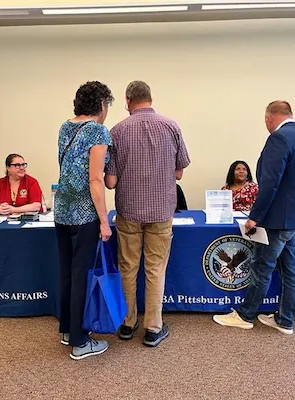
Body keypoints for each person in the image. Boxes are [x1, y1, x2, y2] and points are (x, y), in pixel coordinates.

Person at [213, 100, 295, 335]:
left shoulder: (278, 139)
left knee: (261, 268)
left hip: (276, 221)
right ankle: (286, 320)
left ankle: (246, 315)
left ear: (269, 118)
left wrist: (254, 217)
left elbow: (269, 183)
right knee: (290, 270)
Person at [105, 80, 190, 347]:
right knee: (155, 268)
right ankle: (154, 327)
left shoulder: (117, 131)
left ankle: (128, 323)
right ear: (150, 99)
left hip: (129, 211)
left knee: (128, 268)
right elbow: (179, 172)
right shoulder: (171, 126)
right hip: (162, 211)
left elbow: (110, 182)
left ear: (128, 101)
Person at [54, 81, 114, 360]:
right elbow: (95, 179)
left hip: (62, 212)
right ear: (101, 105)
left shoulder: (65, 126)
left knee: (67, 272)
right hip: (83, 215)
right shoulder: (97, 131)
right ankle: (80, 341)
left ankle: (67, 329)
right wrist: (103, 220)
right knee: (81, 275)